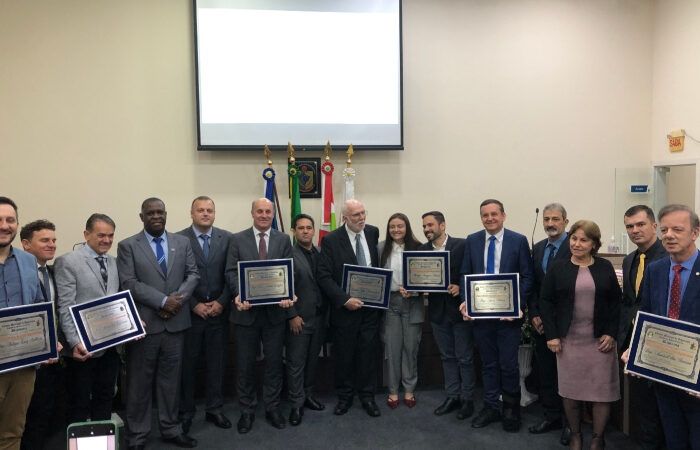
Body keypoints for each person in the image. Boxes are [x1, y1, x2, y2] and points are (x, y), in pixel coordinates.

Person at [117, 198, 199, 450]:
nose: (156, 216)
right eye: (150, 213)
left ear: (166, 214)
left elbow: (193, 274)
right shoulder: (128, 245)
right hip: (146, 325)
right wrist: (163, 301)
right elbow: (129, 283)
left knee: (170, 382)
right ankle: (138, 435)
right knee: (139, 384)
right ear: (141, 217)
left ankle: (171, 429)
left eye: (160, 212)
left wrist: (175, 301)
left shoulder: (182, 242)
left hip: (175, 325)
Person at [623, 204, 700, 450]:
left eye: (678, 229)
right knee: (672, 438)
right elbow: (646, 314)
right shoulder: (656, 270)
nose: (669, 235)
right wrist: (635, 350)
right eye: (665, 229)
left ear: (695, 233)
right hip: (663, 373)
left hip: (696, 379)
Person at [540, 220, 621, 450]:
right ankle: (576, 435)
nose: (577, 243)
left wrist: (611, 333)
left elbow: (616, 303)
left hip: (599, 342)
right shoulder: (558, 267)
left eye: (583, 240)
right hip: (568, 341)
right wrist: (552, 335)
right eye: (574, 238)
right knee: (571, 393)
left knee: (600, 393)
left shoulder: (604, 266)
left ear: (594, 244)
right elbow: (545, 301)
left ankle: (598, 438)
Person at [460, 199, 533, 432]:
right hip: (481, 317)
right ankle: (491, 406)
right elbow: (465, 274)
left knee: (509, 365)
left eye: (494, 214)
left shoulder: (518, 240)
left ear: (503, 215)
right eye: (485, 215)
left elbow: (527, 277)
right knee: (488, 364)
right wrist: (465, 302)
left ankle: (511, 408)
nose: (489, 218)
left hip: (508, 318)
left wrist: (517, 305)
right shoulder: (472, 240)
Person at [225, 198, 294, 434]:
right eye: (260, 211)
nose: (264, 215)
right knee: (245, 365)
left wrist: (288, 294)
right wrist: (238, 294)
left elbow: (288, 270)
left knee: (274, 363)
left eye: (268, 211)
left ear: (273, 214)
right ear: (252, 213)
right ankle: (246, 410)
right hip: (246, 315)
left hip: (275, 314)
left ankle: (272, 407)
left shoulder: (283, 239)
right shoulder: (237, 239)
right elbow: (231, 272)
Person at [316, 199, 382, 418]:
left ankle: (367, 396)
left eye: (363, 213)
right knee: (344, 356)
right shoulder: (332, 240)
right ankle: (345, 397)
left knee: (368, 355)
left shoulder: (373, 233)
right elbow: (324, 276)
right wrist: (344, 300)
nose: (362, 218)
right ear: (345, 218)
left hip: (370, 310)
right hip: (345, 311)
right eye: (356, 215)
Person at [54, 214, 121, 427]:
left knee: (105, 398)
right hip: (82, 350)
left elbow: (116, 301)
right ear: (86, 234)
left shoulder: (114, 262)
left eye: (110, 236)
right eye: (101, 235)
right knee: (79, 402)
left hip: (110, 346)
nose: (107, 240)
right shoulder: (68, 261)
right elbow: (65, 306)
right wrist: (75, 342)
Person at [178, 197, 232, 433]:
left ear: (215, 213)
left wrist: (222, 301)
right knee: (188, 365)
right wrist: (193, 304)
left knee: (217, 364)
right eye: (200, 210)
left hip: (219, 313)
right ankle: (186, 412)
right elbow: (175, 277)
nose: (205, 214)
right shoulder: (178, 240)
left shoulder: (227, 238)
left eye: (209, 210)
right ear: (191, 213)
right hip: (191, 314)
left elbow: (232, 274)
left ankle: (214, 409)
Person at [0, 197, 47, 450]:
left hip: (23, 367)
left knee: (12, 433)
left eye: (10, 220)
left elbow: (38, 303)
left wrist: (47, 343)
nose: (5, 225)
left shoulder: (28, 261)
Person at [420, 211, 475, 420]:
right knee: (447, 357)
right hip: (436, 314)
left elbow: (470, 272)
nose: (427, 229)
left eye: (430, 225)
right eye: (424, 226)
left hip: (459, 311)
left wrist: (460, 287)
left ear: (442, 225)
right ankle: (453, 396)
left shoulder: (462, 245)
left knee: (465, 358)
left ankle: (467, 399)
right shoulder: (421, 250)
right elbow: (418, 277)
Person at [619, 205, 665, 449]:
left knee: (663, 410)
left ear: (654, 226)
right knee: (641, 406)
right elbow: (629, 303)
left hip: (661, 345)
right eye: (629, 226)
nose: (634, 230)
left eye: (640, 224)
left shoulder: (669, 258)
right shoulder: (629, 260)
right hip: (633, 344)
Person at [528, 203, 571, 444]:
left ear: (565, 221)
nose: (550, 224)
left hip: (566, 325)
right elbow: (534, 286)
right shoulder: (537, 247)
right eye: (546, 219)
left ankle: (569, 423)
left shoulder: (574, 245)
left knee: (566, 375)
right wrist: (534, 314)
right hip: (541, 324)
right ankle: (551, 415)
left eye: (555, 219)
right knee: (545, 372)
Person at [19, 220, 64, 450]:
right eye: (45, 240)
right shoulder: (16, 274)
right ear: (26, 244)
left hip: (55, 355)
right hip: (28, 356)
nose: (52, 245)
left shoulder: (54, 271)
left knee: (48, 411)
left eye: (54, 240)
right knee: (28, 416)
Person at [285, 214, 327, 426]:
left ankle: (308, 395)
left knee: (312, 361)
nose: (305, 231)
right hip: (299, 319)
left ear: (313, 230)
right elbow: (283, 287)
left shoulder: (320, 252)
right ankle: (296, 404)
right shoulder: (288, 254)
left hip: (319, 318)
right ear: (294, 231)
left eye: (309, 228)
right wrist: (292, 315)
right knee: (296, 363)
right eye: (300, 228)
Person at [379, 213, 423, 409]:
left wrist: (413, 289)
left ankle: (409, 390)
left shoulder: (419, 248)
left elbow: (428, 278)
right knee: (392, 349)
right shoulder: (381, 248)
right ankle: (393, 391)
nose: (396, 230)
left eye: (400, 226)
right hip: (391, 304)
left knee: (410, 349)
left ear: (407, 228)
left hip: (413, 303)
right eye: (392, 227)